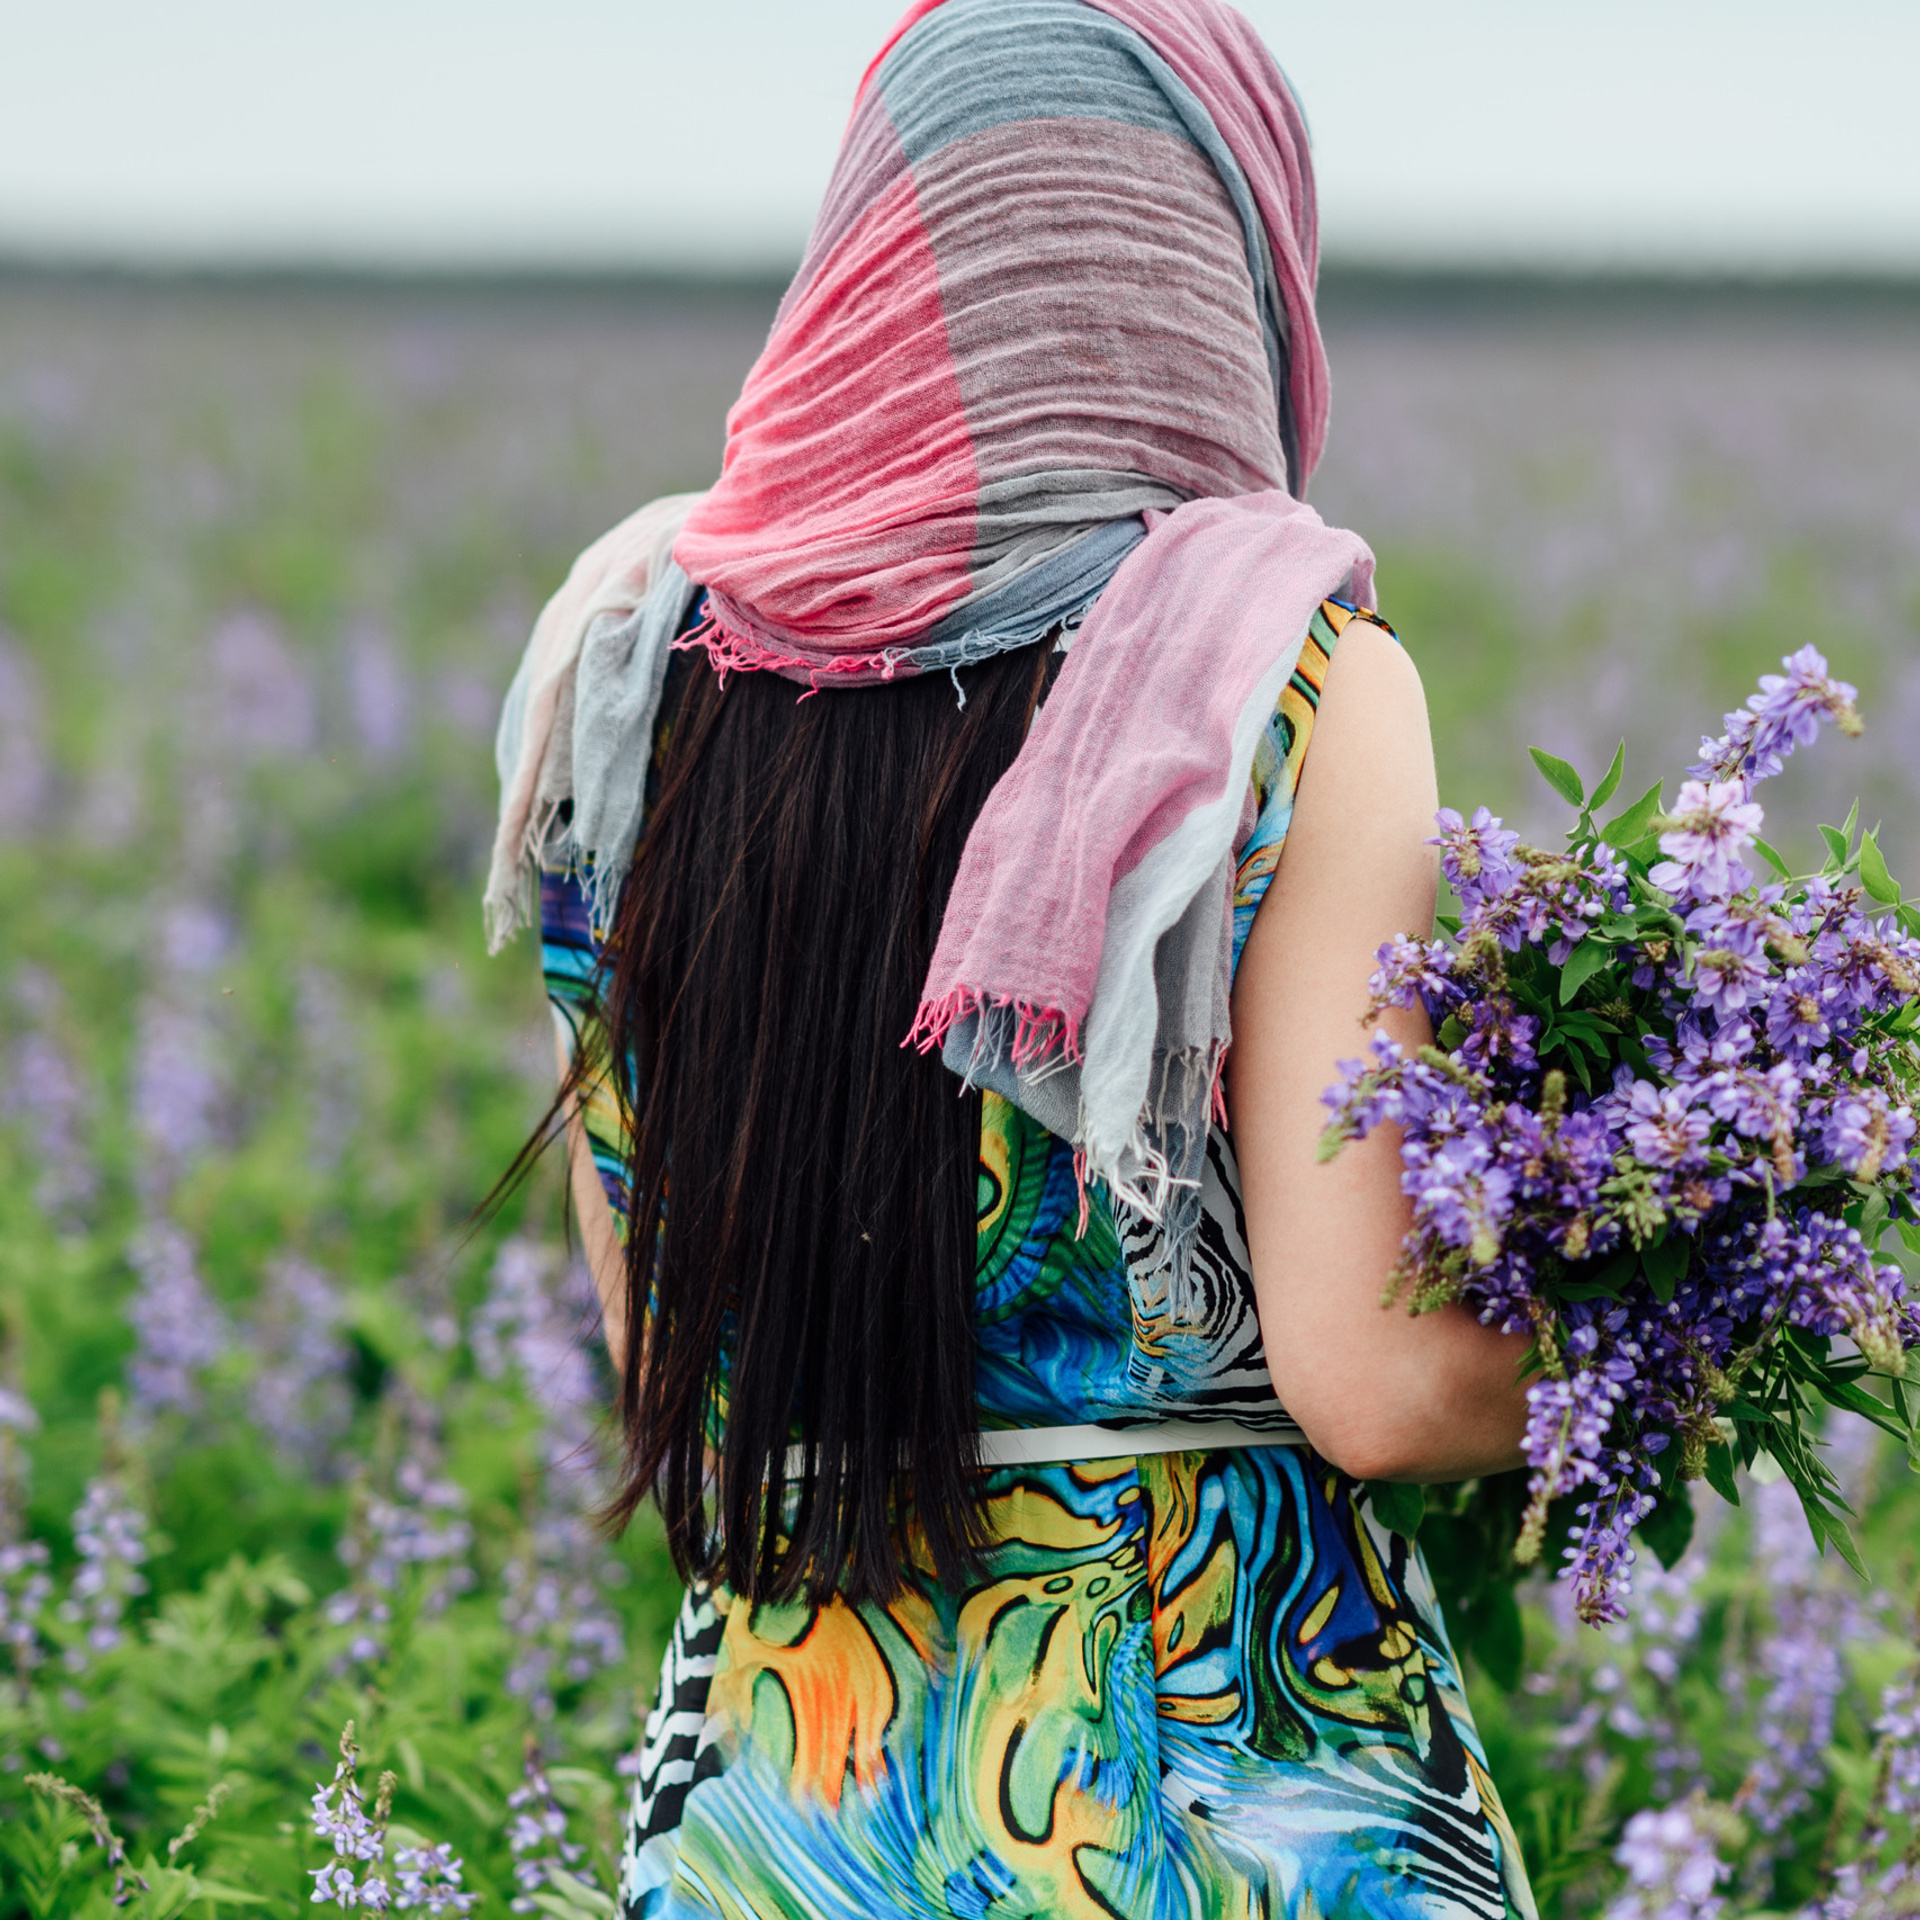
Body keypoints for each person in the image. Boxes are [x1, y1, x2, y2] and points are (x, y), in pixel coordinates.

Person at [487, 1, 1538, 1913]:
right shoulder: (1288, 679)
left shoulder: (622, 677)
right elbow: (1376, 1386)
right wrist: (1666, 1326)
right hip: (1219, 1792)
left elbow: (669, 1355)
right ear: (1222, 252)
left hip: (772, 1814)